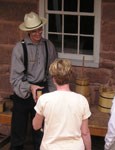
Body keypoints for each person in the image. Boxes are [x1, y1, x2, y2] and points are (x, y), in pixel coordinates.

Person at [10, 11, 57, 150]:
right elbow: (15, 79)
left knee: (41, 134)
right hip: (23, 93)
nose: (38, 33)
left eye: (39, 29)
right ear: (28, 31)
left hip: (43, 92)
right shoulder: (20, 48)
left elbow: (52, 74)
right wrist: (30, 87)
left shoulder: (49, 46)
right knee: (18, 134)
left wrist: (53, 96)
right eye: (34, 31)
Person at [32, 59, 92, 150]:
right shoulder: (82, 100)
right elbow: (85, 132)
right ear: (69, 77)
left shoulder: (44, 99)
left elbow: (36, 126)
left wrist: (38, 106)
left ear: (54, 79)